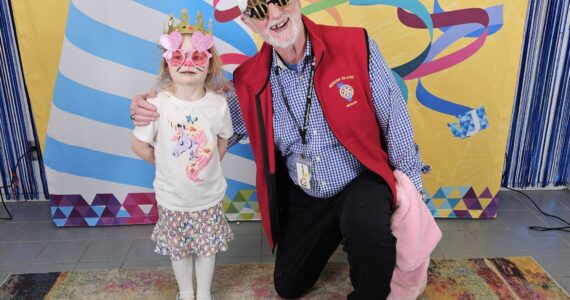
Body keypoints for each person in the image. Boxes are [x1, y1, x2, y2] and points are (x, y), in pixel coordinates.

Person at [131, 1, 426, 298]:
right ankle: (341, 229)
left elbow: (395, 120)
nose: (274, 16)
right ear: (248, 22)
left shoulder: (356, 44)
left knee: (366, 228)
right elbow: (207, 128)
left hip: (359, 180)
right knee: (288, 285)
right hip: (306, 192)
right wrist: (156, 109)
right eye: (259, 11)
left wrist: (414, 197)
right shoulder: (249, 78)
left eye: (280, 1)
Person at [130, 9, 234, 300]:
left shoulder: (218, 105)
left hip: (208, 197)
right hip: (172, 198)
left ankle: (204, 292)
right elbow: (138, 144)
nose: (188, 63)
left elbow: (223, 140)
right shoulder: (157, 105)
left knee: (206, 247)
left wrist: (207, 164)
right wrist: (164, 163)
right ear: (167, 64)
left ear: (209, 64)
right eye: (178, 56)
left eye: (197, 57)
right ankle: (186, 291)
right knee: (179, 249)